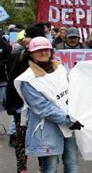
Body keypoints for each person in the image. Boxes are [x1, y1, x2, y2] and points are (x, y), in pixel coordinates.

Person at [14, 37, 83, 173]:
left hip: (69, 124)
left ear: (51, 51)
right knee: (50, 166)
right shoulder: (28, 80)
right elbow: (43, 108)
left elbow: (73, 90)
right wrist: (68, 121)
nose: (43, 52)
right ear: (31, 53)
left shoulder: (60, 68)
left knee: (72, 164)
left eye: (45, 49)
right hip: (47, 128)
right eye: (38, 50)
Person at [5, 23, 46, 173]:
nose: (25, 39)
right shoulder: (19, 54)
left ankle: (44, 167)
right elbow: (12, 81)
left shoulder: (45, 55)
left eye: (28, 36)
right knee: (22, 140)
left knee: (42, 138)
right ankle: (22, 169)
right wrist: (12, 106)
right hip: (21, 107)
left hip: (41, 107)